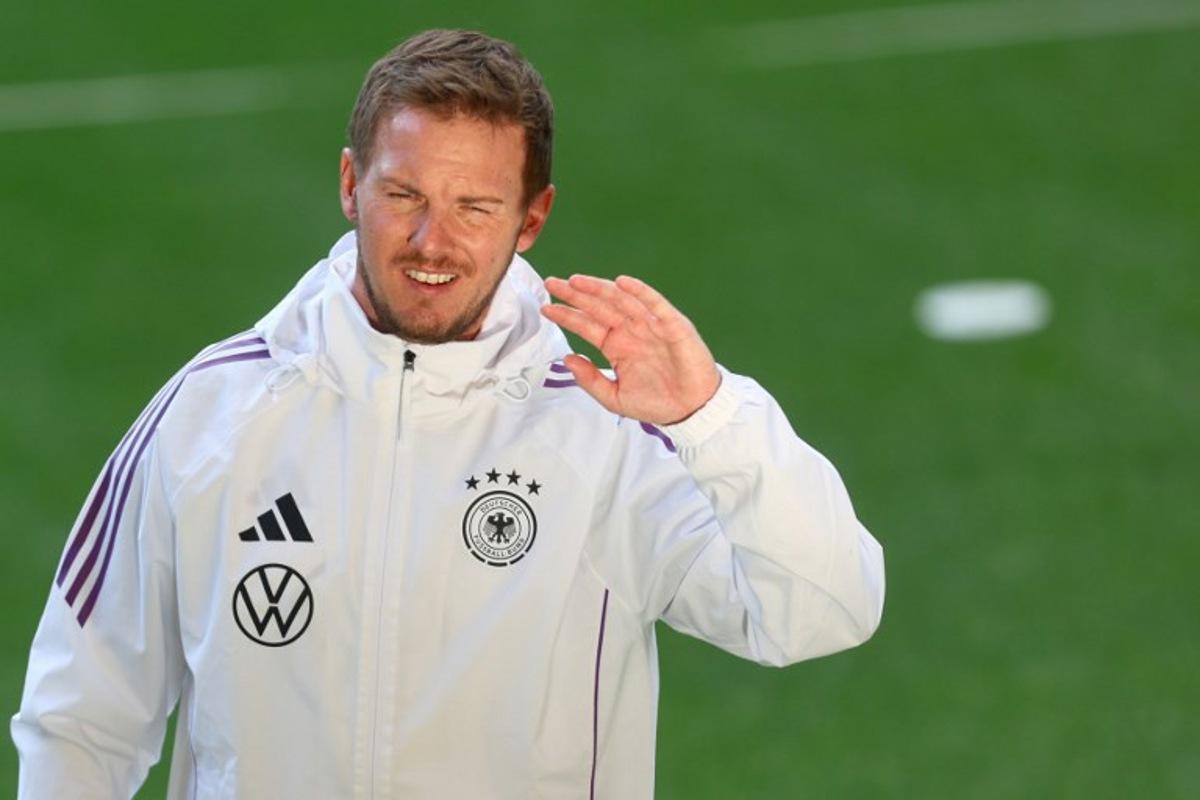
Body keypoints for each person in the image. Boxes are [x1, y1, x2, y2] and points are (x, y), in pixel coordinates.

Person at [12, 29, 885, 799]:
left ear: (532, 218)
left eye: (475, 207)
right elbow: (82, 713)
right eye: (405, 196)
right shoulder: (212, 413)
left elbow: (822, 612)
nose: (433, 242)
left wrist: (712, 418)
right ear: (351, 184)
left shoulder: (603, 432)